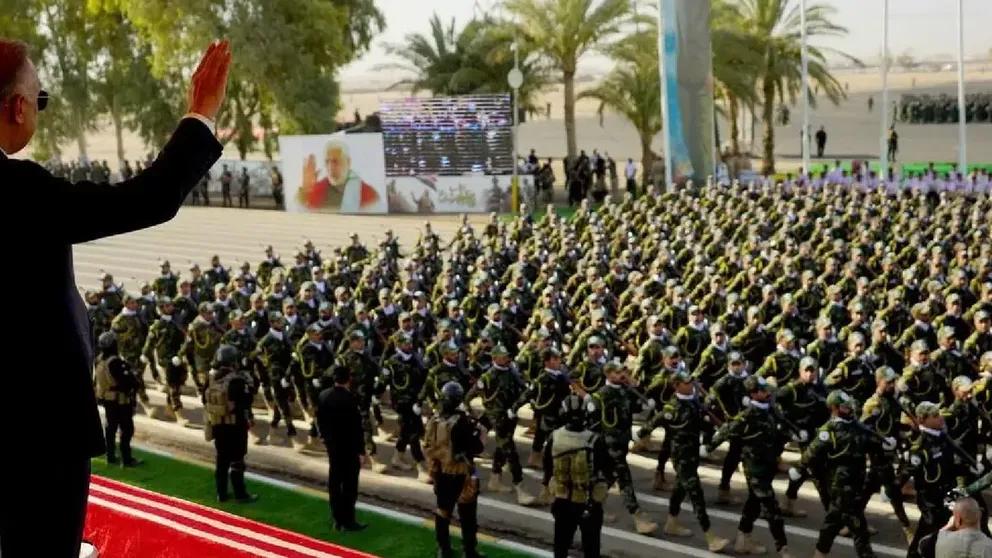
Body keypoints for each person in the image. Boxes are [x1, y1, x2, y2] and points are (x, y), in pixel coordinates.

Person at [0, 37, 230, 557]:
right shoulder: (17, 191)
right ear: (16, 107)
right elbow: (146, 198)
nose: (38, 109)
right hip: (34, 437)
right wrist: (200, 113)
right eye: (39, 100)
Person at [544, 393, 610, 558]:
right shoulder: (595, 439)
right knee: (591, 547)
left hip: (562, 499)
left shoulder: (555, 437)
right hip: (589, 501)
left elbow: (547, 467)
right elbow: (607, 469)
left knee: (561, 544)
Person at [424, 381, 485, 558]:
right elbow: (476, 448)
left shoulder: (434, 420)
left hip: (440, 472)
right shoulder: (462, 422)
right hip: (461, 473)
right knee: (467, 515)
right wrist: (480, 434)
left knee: (443, 512)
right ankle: (469, 550)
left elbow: (428, 446)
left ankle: (443, 549)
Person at [317, 365, 368, 532]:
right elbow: (356, 428)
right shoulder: (351, 399)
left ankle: (337, 519)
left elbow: (320, 421)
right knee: (349, 486)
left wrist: (325, 439)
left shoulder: (324, 395)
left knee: (334, 482)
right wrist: (361, 451)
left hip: (333, 446)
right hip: (349, 448)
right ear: (348, 380)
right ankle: (348, 520)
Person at [204, 345, 258, 503]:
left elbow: (204, 398)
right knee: (237, 460)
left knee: (221, 460)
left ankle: (221, 493)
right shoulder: (237, 380)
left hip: (217, 424)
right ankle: (240, 494)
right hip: (235, 426)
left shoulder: (211, 377)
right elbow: (247, 400)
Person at [93, 331, 141, 468]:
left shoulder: (99, 359)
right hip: (120, 401)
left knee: (110, 428)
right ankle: (126, 459)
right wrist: (134, 379)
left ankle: (110, 456)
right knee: (126, 429)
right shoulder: (115, 362)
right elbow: (127, 382)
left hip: (107, 400)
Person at [297, 140, 385, 213]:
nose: (330, 167)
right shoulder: (317, 189)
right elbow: (300, 211)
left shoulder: (368, 193)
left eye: (335, 161)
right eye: (327, 161)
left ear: (348, 162)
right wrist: (305, 192)